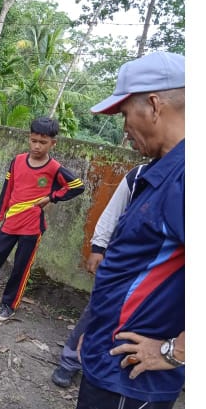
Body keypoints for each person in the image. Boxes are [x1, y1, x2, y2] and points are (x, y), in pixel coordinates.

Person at [60, 51, 184, 409]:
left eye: (124, 112)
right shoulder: (161, 170)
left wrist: (176, 350)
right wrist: (94, 331)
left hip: (131, 380)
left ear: (153, 104)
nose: (124, 128)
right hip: (108, 362)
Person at [0, 117, 84, 322]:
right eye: (34, 140)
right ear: (29, 138)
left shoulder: (54, 168)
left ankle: (8, 304)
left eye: (43, 142)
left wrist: (51, 197)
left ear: (53, 143)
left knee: (20, 268)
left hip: (32, 227)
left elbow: (77, 186)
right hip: (10, 221)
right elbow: (7, 190)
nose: (37, 146)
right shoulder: (17, 161)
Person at [51, 160, 149, 388]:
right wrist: (98, 247)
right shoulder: (139, 176)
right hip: (124, 263)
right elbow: (113, 212)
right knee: (97, 310)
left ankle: (120, 368)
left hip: (161, 275)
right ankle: (70, 360)